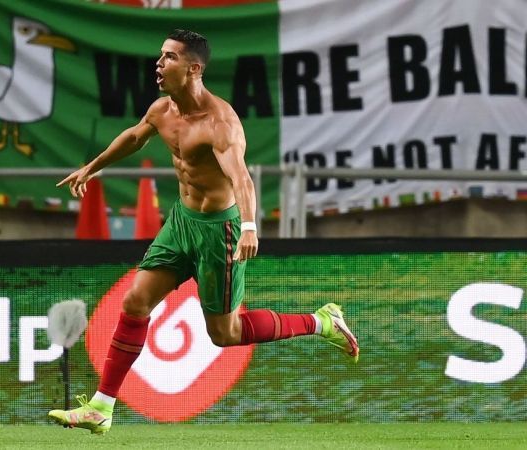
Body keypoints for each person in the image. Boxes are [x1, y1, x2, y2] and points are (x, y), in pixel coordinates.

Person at [49, 29, 359, 434]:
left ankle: (322, 322)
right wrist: (92, 166)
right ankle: (101, 407)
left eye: (170, 58)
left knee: (224, 334)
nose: (159, 64)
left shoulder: (220, 122)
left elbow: (242, 179)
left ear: (194, 68)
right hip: (181, 223)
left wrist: (249, 226)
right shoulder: (163, 110)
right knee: (135, 302)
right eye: (160, 56)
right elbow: (134, 137)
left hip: (220, 232)